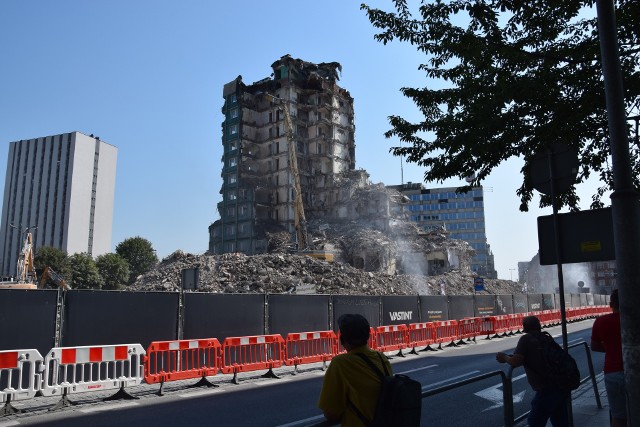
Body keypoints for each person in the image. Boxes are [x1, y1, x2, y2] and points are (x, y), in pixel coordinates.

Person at [318, 313, 392, 426]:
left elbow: (331, 413)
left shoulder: (340, 363)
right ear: (367, 336)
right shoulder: (381, 357)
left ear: (342, 339)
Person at [496, 315, 569, 427]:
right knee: (560, 421)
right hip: (559, 385)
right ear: (539, 326)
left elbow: (516, 361)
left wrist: (504, 357)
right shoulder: (546, 337)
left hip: (546, 389)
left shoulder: (526, 339)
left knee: (535, 421)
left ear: (525, 328)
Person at [591, 289, 626, 427]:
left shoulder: (601, 321)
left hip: (613, 372)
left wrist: (611, 348)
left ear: (611, 304)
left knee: (618, 415)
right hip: (635, 369)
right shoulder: (634, 318)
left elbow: (594, 346)